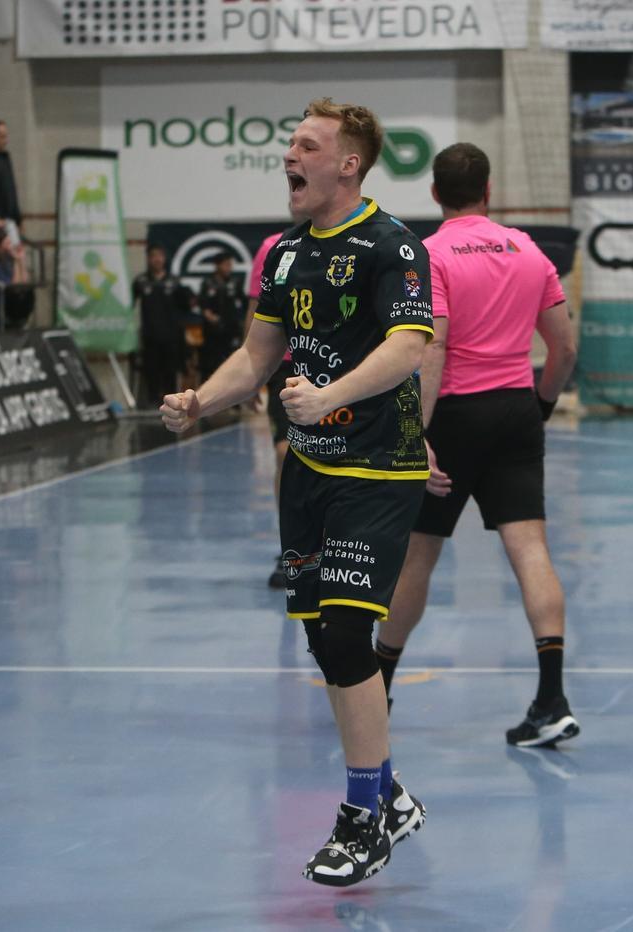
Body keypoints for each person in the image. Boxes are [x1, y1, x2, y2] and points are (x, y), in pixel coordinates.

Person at [161, 98, 429, 885]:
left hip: (378, 469)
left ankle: (363, 820)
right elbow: (256, 356)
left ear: (348, 163)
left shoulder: (393, 245)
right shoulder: (281, 252)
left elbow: (410, 344)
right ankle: (389, 791)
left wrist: (331, 393)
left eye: (306, 146)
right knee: (323, 642)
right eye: (289, 146)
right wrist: (199, 400)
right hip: (307, 471)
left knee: (348, 634)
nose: (289, 157)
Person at [373, 142, 581, 748]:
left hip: (453, 417)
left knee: (418, 554)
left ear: (435, 194)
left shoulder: (429, 254)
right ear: (489, 191)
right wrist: (539, 406)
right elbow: (564, 350)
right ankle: (552, 698)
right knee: (531, 551)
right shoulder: (528, 249)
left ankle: (376, 686)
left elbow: (430, 348)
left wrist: (416, 432)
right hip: (516, 408)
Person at [245, 230, 293, 588]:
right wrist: (251, 374)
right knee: (284, 453)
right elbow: (256, 311)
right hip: (286, 365)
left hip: (341, 366)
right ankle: (291, 548)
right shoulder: (272, 248)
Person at [131, 244, 190, 409]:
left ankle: (171, 403)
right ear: (149, 259)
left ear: (164, 259)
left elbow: (185, 306)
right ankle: (152, 401)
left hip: (171, 335)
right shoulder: (141, 282)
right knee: (151, 369)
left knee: (170, 370)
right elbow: (130, 305)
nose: (157, 259)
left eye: (160, 256)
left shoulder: (174, 282)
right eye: (153, 256)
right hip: (150, 334)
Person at [197, 250, 245, 382]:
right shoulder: (207, 283)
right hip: (213, 331)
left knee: (233, 362)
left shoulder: (235, 283)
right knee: (210, 364)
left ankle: (235, 398)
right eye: (226, 264)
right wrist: (210, 317)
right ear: (218, 265)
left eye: (230, 264)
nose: (228, 268)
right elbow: (203, 306)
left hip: (231, 329)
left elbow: (244, 303)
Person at [0, 120, 21, 235]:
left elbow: (11, 189)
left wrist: (19, 220)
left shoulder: (5, 158)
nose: (6, 141)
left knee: (18, 251)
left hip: (10, 221)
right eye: (2, 137)